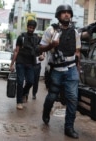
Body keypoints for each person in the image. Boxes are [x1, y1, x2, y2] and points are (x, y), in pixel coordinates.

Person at [37, 4, 81, 139]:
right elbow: (40, 48)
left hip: (72, 69)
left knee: (73, 98)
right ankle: (46, 112)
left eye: (69, 12)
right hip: (56, 70)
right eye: (63, 12)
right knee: (52, 96)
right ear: (58, 15)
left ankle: (69, 127)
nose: (66, 14)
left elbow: (77, 52)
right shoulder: (51, 30)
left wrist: (78, 71)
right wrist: (52, 45)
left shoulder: (75, 32)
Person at [10, 20, 41, 110]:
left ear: (34, 28)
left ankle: (23, 93)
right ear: (27, 27)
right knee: (20, 82)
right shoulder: (21, 37)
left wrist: (42, 55)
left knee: (31, 81)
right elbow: (16, 51)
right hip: (20, 62)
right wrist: (12, 64)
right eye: (29, 27)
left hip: (31, 63)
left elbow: (40, 50)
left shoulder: (37, 38)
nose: (31, 29)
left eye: (32, 28)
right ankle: (19, 102)